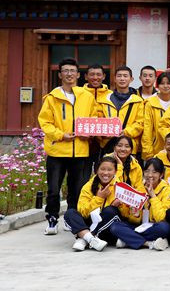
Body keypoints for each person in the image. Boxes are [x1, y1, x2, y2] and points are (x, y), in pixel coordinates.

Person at [38, 58, 98, 235]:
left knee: (76, 189)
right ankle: (52, 218)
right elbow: (45, 122)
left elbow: (93, 118)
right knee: (53, 189)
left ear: (78, 75)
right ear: (60, 75)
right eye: (66, 71)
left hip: (79, 150)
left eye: (72, 71)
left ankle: (70, 218)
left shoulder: (87, 96)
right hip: (57, 150)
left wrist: (89, 133)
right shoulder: (52, 98)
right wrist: (60, 135)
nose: (69, 74)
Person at [109, 158, 170, 251]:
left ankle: (128, 239)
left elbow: (161, 218)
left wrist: (153, 195)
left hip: (154, 226)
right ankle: (147, 243)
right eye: (147, 171)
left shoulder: (167, 190)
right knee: (115, 226)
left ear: (161, 174)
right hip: (140, 226)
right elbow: (133, 220)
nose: (150, 175)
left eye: (154, 172)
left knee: (164, 228)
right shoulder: (139, 187)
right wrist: (136, 215)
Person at [62, 156, 122, 251]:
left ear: (115, 172)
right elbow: (83, 212)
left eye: (109, 170)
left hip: (105, 227)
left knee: (111, 211)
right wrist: (99, 198)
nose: (105, 173)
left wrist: (120, 206)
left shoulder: (120, 187)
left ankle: (84, 238)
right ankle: (91, 239)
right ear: (96, 170)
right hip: (89, 221)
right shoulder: (88, 186)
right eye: (102, 169)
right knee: (70, 213)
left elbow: (125, 215)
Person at [98, 66, 144, 157]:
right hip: (108, 145)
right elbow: (98, 119)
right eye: (119, 76)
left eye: (125, 76)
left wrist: (125, 132)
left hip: (129, 146)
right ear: (114, 79)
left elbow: (140, 123)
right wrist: (104, 133)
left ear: (131, 79)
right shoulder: (103, 100)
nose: (122, 79)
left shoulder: (138, 101)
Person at [142, 72, 170, 161]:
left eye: (168, 83)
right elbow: (147, 129)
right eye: (162, 83)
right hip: (155, 151)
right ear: (157, 86)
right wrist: (148, 153)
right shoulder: (150, 103)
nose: (165, 86)